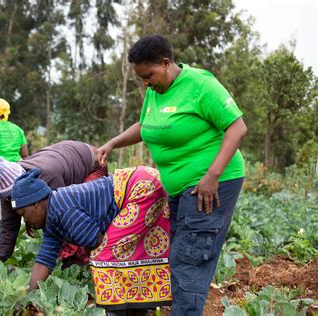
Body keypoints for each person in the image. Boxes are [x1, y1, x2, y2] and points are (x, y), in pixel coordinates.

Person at [97, 35, 247, 315]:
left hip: (211, 184)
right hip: (180, 189)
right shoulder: (156, 90)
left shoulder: (201, 85)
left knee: (189, 260)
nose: (146, 83)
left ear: (166, 63)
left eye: (149, 75)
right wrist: (113, 143)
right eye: (141, 77)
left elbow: (237, 128)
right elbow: (145, 125)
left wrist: (212, 175)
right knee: (180, 254)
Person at [12, 167, 172, 314]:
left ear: (35, 204)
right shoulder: (52, 218)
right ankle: (138, 310)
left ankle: (118, 312)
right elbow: (44, 260)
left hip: (140, 187)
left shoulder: (62, 209)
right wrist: (27, 298)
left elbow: (96, 242)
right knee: (123, 257)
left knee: (105, 258)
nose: (25, 221)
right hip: (142, 182)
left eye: (23, 214)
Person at [0, 140, 107, 263]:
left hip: (94, 160)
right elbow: (8, 225)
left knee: (81, 225)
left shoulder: (46, 178)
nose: (11, 200)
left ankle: (94, 263)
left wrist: (49, 255)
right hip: (64, 155)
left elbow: (60, 220)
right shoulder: (7, 189)